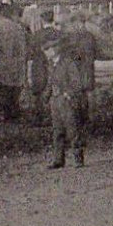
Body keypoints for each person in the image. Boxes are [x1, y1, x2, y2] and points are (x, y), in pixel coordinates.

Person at [42, 32, 89, 169]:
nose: (45, 52)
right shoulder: (52, 64)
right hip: (55, 100)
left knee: (72, 129)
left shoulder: (68, 63)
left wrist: (69, 94)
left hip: (66, 100)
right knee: (57, 131)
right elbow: (50, 82)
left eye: (47, 49)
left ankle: (78, 158)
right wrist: (46, 96)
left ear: (55, 49)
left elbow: (77, 82)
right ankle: (58, 159)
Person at [0, 7, 30, 123]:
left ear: (0, 14)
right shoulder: (19, 28)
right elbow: (23, 51)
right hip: (15, 67)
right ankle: (12, 118)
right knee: (12, 97)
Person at [26, 9, 55, 125]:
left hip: (38, 64)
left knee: (37, 91)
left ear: (42, 20)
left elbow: (30, 52)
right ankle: (51, 117)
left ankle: (37, 117)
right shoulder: (57, 33)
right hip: (53, 64)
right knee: (52, 90)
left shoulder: (36, 35)